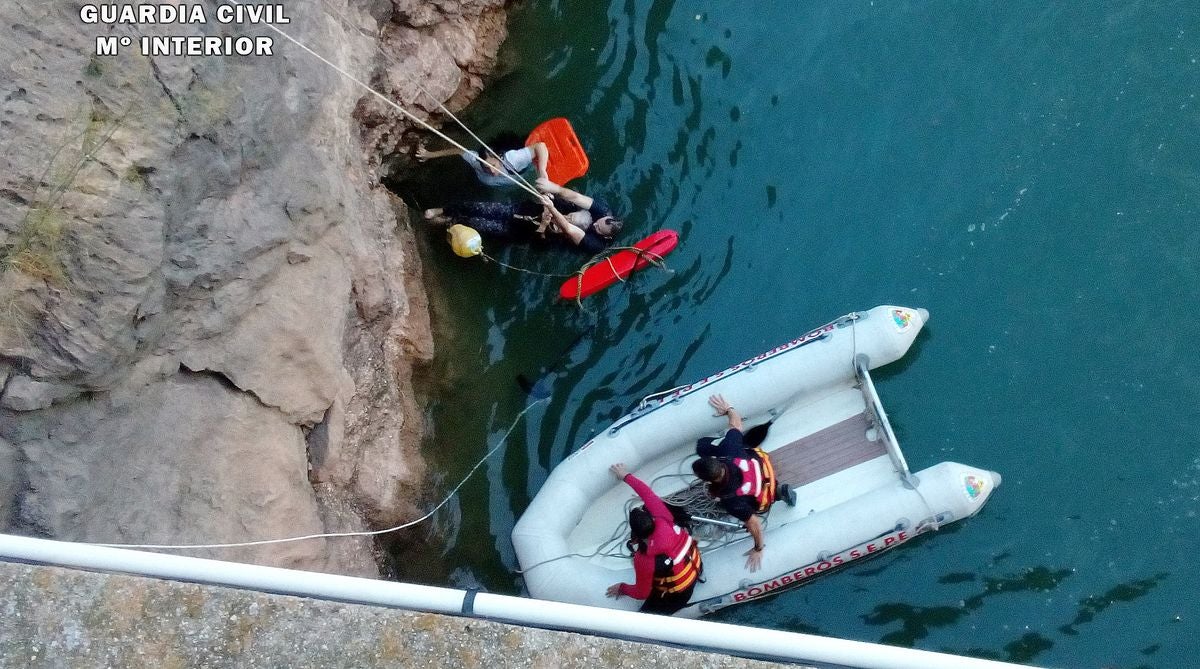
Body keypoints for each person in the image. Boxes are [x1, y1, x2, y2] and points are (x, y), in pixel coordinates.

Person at [691, 394, 797, 572]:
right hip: (760, 466)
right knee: (733, 440)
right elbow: (736, 422)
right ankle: (776, 489)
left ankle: (777, 493)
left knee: (701, 445)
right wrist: (728, 409)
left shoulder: (730, 500)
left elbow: (754, 523)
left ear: (707, 480)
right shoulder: (729, 450)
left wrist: (758, 548)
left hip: (758, 496)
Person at [423, 179, 623, 255]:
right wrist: (552, 190)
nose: (596, 225)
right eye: (598, 223)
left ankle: (450, 222)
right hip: (519, 211)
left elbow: (565, 232)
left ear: (603, 236)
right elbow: (574, 196)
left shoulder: (592, 242)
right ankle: (444, 209)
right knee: (476, 207)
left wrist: (546, 222)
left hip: (519, 232)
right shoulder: (600, 213)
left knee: (477, 223)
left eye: (598, 229)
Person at [605, 463, 703, 615]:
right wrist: (625, 475)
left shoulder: (644, 560)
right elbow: (647, 494)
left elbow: (642, 593)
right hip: (696, 567)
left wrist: (622, 588)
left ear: (636, 535)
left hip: (679, 595)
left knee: (645, 615)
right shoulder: (664, 518)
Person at [415, 132, 550, 188]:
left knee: (522, 145)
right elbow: (457, 150)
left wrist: (542, 171)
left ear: (499, 158)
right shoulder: (477, 161)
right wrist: (429, 155)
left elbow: (541, 146)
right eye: (487, 167)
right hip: (504, 183)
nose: (491, 170)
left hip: (520, 169)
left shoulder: (512, 159)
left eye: (493, 165)